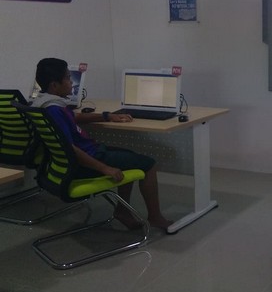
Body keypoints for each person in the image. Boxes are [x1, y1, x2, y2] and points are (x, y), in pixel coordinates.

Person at [31, 58, 173, 231]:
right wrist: (105, 168)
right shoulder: (54, 110)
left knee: (128, 157)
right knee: (149, 164)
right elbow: (69, 149)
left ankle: (122, 211)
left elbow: (75, 117)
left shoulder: (46, 104)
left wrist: (107, 116)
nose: (72, 82)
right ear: (54, 85)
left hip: (79, 158)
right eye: (68, 78)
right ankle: (155, 217)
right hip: (86, 161)